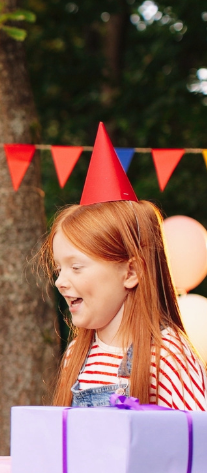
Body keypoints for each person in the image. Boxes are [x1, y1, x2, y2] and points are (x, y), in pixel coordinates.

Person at [45, 123, 207, 410]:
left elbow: (198, 435)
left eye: (76, 267)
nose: (60, 281)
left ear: (131, 272)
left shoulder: (167, 357)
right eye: (59, 269)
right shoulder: (76, 356)